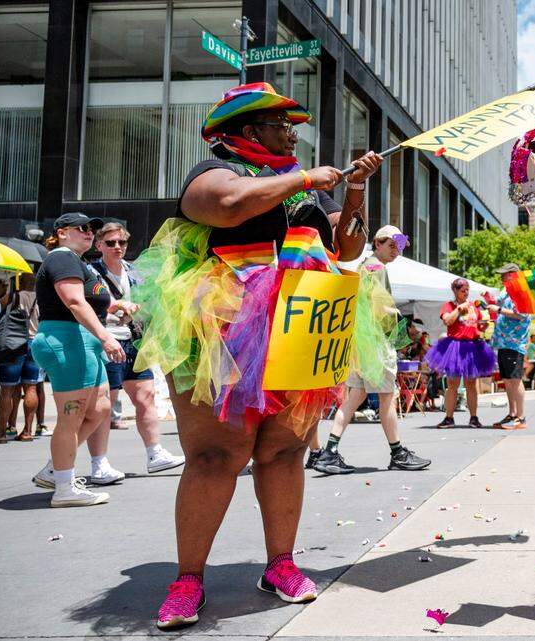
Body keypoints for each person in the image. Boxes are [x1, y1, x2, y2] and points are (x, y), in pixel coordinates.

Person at [135, 82, 383, 629]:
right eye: (281, 123)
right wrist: (304, 177)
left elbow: (347, 249)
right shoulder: (216, 170)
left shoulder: (303, 193)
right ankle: (188, 579)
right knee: (215, 455)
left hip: (300, 329)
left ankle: (280, 564)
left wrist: (355, 192)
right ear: (250, 131)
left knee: (284, 451)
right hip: (223, 333)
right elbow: (225, 208)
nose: (293, 132)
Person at [28, 213, 139, 508]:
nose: (90, 232)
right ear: (62, 232)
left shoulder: (78, 263)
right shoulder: (62, 258)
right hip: (66, 341)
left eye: (92, 229)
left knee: (101, 407)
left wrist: (117, 304)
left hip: (80, 343)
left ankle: (55, 470)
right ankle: (64, 486)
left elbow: (91, 298)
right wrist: (106, 336)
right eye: (82, 228)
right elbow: (74, 301)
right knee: (71, 415)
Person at [308, 225, 431, 474]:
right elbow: (381, 307)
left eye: (399, 245)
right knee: (388, 397)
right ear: (378, 243)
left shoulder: (365, 266)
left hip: (361, 344)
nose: (396, 250)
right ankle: (397, 453)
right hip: (376, 342)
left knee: (354, 398)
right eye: (391, 244)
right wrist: (405, 329)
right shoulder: (377, 267)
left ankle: (328, 452)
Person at [83, 222, 185, 483]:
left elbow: (151, 298)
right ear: (99, 246)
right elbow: (84, 306)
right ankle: (99, 464)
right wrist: (115, 306)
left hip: (134, 340)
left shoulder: (134, 272)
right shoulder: (90, 272)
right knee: (105, 405)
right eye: (111, 243)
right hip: (108, 340)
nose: (117, 247)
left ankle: (155, 453)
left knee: (146, 396)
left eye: (122, 243)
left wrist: (143, 305)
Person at [425, 278, 495, 429]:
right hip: (455, 348)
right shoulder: (448, 305)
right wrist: (458, 309)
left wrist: (482, 326)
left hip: (472, 347)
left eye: (467, 290)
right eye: (463, 290)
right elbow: (447, 321)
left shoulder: (474, 307)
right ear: (455, 291)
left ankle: (474, 418)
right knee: (452, 384)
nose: (466, 293)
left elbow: (479, 327)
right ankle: (449, 418)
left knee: (471, 384)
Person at [0, 273, 41, 442]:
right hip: (35, 344)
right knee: (31, 388)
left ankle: (1, 433)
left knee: (6, 389)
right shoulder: (41, 298)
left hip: (14, 345)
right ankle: (27, 431)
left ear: (22, 282)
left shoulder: (15, 296)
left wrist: (0, 292)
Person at [490, 263, 531, 430]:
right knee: (508, 380)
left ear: (513, 275)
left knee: (515, 379)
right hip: (504, 342)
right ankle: (513, 413)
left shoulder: (520, 292)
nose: (501, 277)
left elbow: (521, 314)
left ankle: (520, 417)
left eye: (504, 274)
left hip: (514, 342)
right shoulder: (507, 292)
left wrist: (499, 310)